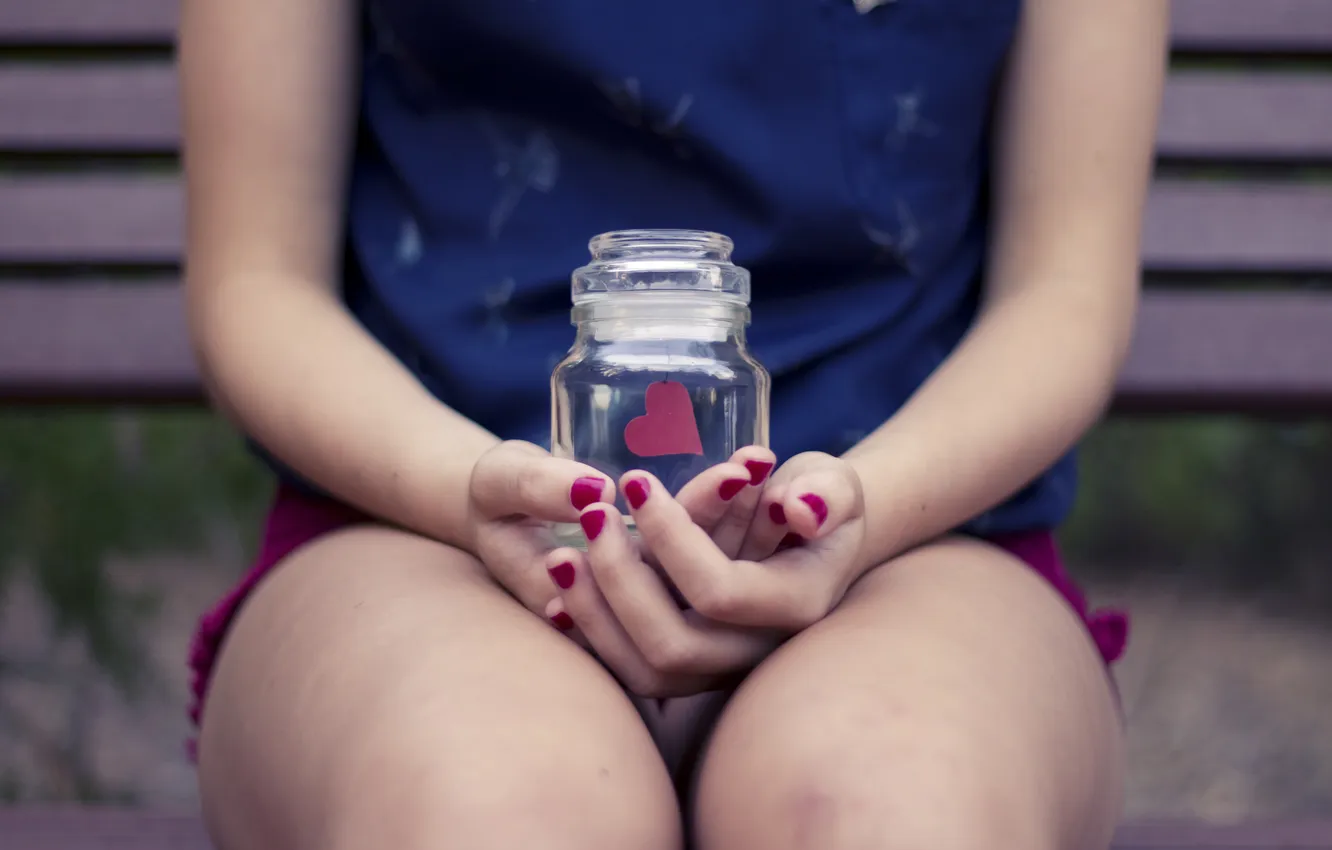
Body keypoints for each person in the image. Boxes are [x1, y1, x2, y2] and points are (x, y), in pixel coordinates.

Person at [180, 0, 1167, 846]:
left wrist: (865, 507)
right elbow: (256, 281)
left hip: (922, 543)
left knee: (891, 811)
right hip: (414, 534)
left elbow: (1065, 293)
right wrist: (464, 485)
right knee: (494, 811)